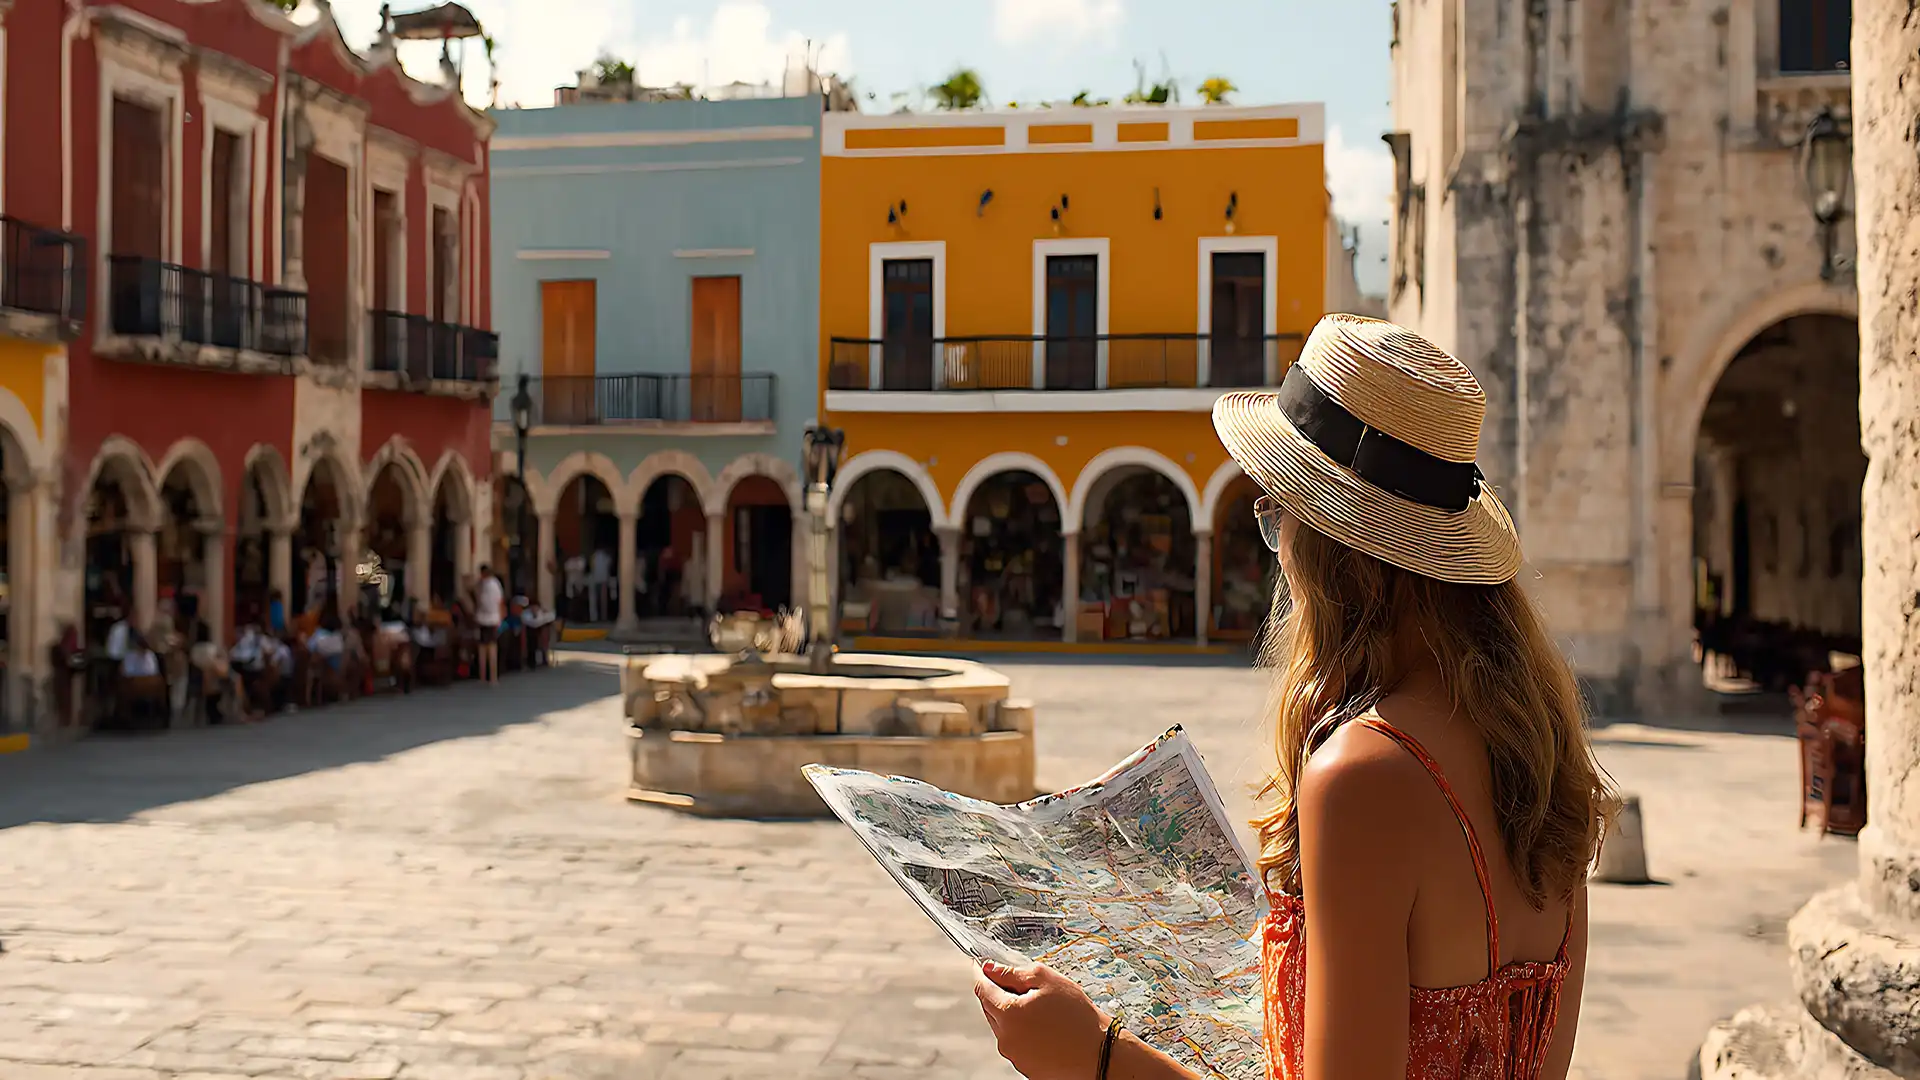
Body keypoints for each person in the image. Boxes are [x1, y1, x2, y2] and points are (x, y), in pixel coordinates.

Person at [971, 316, 1618, 1080]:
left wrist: (1095, 1055)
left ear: (1330, 549)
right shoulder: (1539, 755)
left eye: (1276, 515)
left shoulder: (1367, 774)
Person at [474, 563, 504, 685]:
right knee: (492, 648)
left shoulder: (481, 585)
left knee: (482, 648)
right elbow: (500, 601)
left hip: (482, 619)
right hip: (493, 619)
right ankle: (493, 676)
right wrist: (500, 618)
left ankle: (482, 676)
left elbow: (478, 600)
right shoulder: (496, 584)